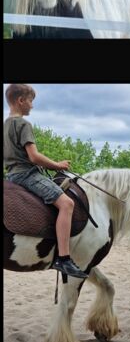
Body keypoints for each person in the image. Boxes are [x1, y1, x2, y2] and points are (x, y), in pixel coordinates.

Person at [4, 83, 88, 278]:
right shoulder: (23, 124)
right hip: (27, 175)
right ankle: (64, 259)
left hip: (11, 175)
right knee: (67, 204)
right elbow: (33, 157)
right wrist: (58, 165)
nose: (32, 106)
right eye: (31, 101)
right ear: (21, 100)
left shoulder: (5, 125)